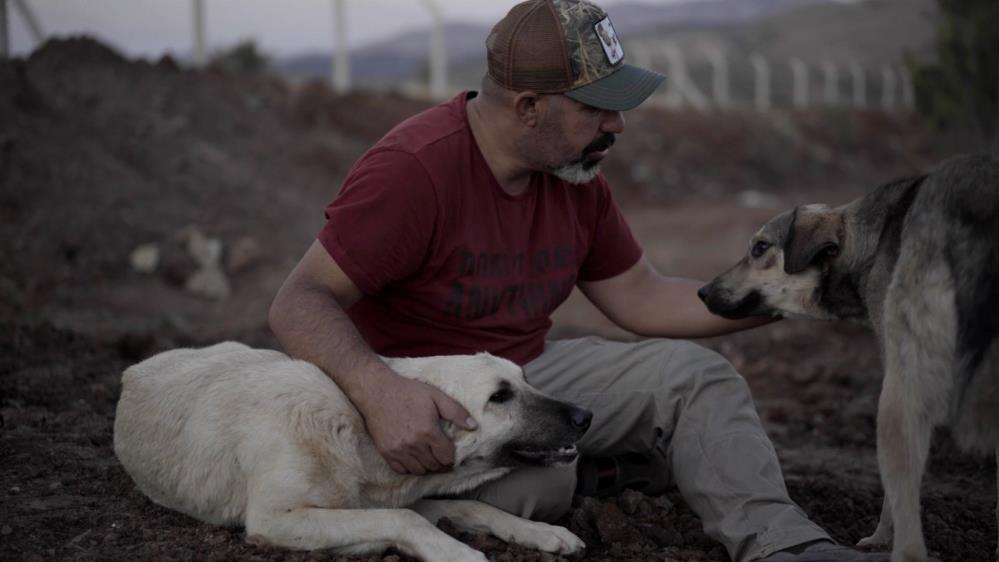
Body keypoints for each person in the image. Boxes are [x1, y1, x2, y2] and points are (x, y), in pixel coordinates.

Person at [268, 1, 894, 561]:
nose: (617, 125)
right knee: (543, 483)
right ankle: (610, 468)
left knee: (695, 379)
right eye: (599, 107)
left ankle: (785, 547)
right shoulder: (413, 173)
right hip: (419, 397)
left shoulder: (576, 177)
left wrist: (788, 296)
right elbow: (298, 301)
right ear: (529, 107)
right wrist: (380, 394)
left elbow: (642, 297)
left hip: (525, 374)